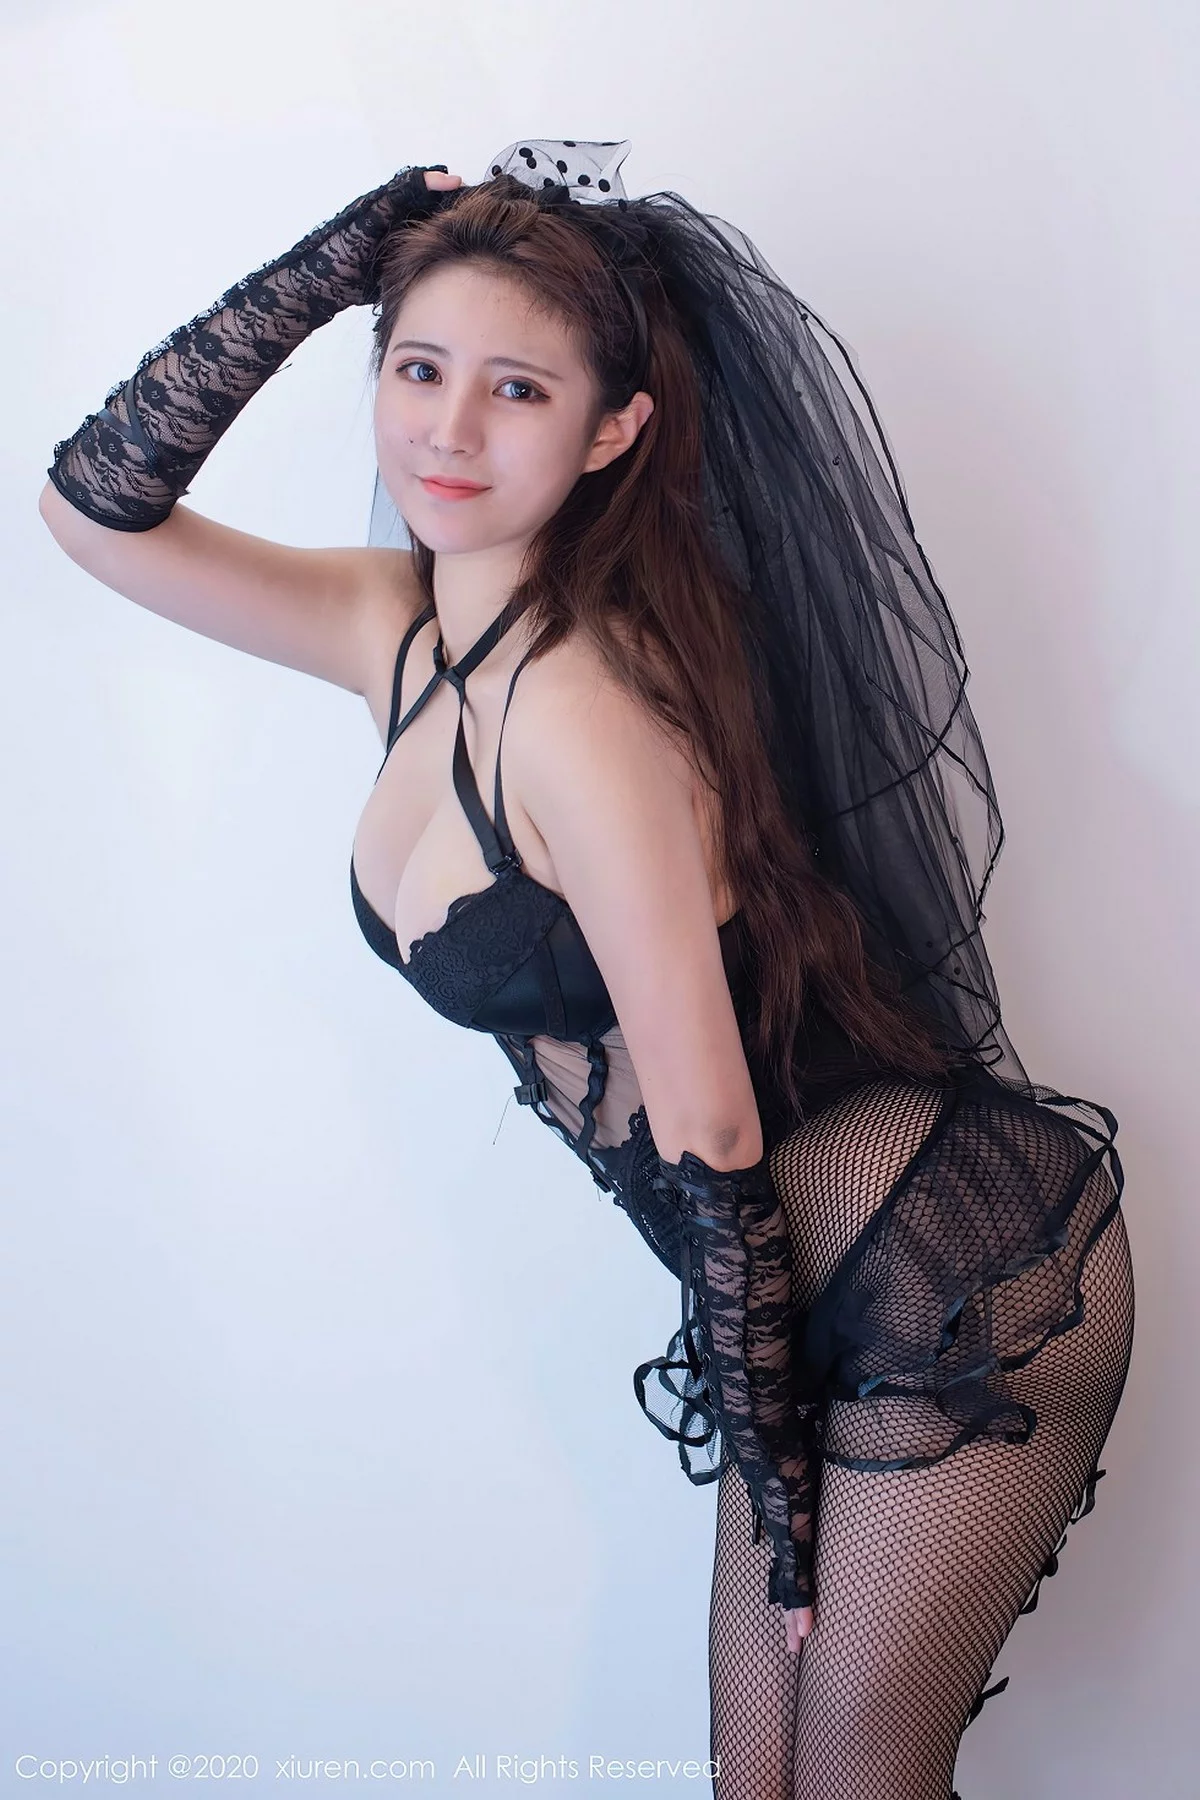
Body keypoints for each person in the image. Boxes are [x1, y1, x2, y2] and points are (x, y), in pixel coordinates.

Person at [40, 142, 1135, 1800]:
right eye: (418, 369)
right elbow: (95, 509)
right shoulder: (397, 626)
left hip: (941, 1264)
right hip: (770, 1280)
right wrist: (334, 262)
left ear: (613, 431)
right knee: (753, 1783)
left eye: (518, 390)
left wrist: (780, 1512)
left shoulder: (584, 710)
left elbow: (711, 1123)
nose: (449, 432)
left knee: (857, 1772)